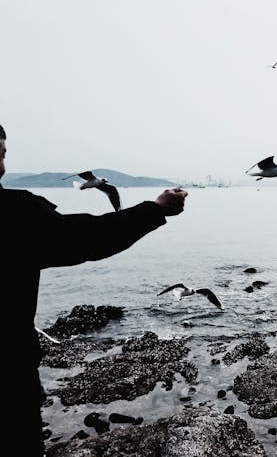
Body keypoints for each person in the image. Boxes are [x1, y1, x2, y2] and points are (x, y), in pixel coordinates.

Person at [0, 123, 188, 456]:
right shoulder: (15, 212)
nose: (4, 157)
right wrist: (157, 209)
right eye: (1, 149)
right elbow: (89, 237)